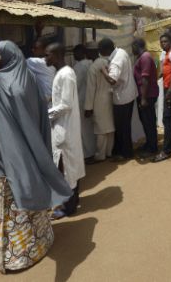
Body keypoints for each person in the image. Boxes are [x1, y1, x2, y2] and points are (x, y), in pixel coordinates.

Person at [0, 40, 72, 273]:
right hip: (31, 151)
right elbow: (39, 114)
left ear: (5, 57)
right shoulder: (28, 78)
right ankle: (38, 243)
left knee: (8, 205)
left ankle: (13, 256)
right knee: (28, 198)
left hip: (2, 157)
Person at [46, 43, 86, 219]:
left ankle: (69, 207)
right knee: (68, 167)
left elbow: (66, 104)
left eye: (48, 55)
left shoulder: (66, 74)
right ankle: (72, 201)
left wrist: (45, 114)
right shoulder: (61, 73)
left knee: (66, 168)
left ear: (57, 55)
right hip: (63, 126)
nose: (45, 58)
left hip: (65, 128)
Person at [99, 38, 139, 160]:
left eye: (101, 51)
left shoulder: (116, 60)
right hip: (128, 93)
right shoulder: (121, 51)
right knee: (124, 125)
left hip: (123, 97)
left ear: (106, 50)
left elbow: (112, 80)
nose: (100, 54)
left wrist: (104, 71)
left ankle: (125, 153)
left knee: (122, 126)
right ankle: (124, 150)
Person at [84, 41, 115, 163]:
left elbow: (91, 89)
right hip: (109, 97)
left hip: (98, 100)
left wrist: (88, 107)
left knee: (100, 129)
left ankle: (100, 155)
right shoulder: (107, 62)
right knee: (109, 127)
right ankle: (109, 152)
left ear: (91, 52)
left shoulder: (93, 67)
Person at [153, 33, 171, 162]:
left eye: (165, 41)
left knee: (166, 119)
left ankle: (166, 150)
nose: (163, 44)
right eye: (161, 42)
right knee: (169, 118)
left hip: (170, 89)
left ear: (170, 42)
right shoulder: (167, 54)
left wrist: (169, 91)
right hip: (167, 87)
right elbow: (165, 71)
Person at [132, 38, 159, 157]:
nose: (131, 50)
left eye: (132, 47)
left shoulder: (145, 57)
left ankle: (152, 148)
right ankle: (149, 143)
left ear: (136, 46)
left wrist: (143, 98)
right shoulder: (143, 57)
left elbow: (145, 78)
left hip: (147, 95)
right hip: (145, 94)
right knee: (146, 121)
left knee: (149, 122)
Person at [72, 44, 96, 159]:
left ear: (81, 53)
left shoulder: (79, 67)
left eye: (75, 53)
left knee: (85, 129)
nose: (73, 56)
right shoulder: (91, 63)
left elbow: (75, 85)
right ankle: (93, 150)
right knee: (91, 126)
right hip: (91, 98)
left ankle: (88, 153)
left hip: (81, 100)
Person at [27, 36, 56, 105]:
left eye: (35, 48)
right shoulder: (52, 62)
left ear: (45, 50)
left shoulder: (35, 62)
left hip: (46, 104)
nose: (32, 50)